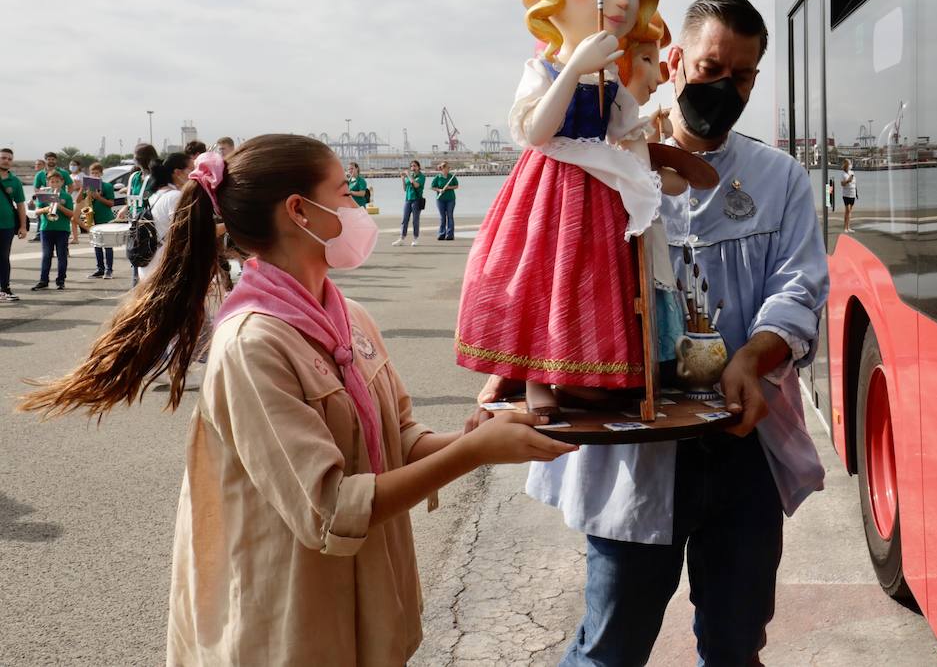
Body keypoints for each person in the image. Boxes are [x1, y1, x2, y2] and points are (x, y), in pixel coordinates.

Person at [19, 134, 575, 665]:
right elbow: (329, 507)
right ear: (300, 212)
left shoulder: (350, 317)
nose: (358, 204)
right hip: (287, 618)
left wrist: (477, 437)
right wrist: (475, 455)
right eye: (343, 192)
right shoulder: (253, 343)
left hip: (366, 602)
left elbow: (397, 438)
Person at [476, 0, 829, 666]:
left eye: (744, 76)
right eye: (711, 68)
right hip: (638, 446)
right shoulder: (606, 170)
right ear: (674, 61)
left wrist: (754, 358)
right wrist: (517, 362)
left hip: (740, 440)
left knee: (735, 640)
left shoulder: (778, 177)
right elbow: (547, 269)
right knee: (613, 644)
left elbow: (800, 284)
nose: (726, 88)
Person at [454, 0, 663, 418]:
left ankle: (590, 368)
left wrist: (648, 171)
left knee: (592, 281)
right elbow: (536, 131)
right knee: (540, 276)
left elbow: (623, 128)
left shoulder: (609, 76)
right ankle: (534, 376)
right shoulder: (543, 69)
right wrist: (573, 70)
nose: (621, 0)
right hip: (548, 185)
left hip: (598, 186)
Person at [144, 153, 193, 277]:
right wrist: (228, 226)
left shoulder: (157, 195)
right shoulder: (174, 197)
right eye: (192, 169)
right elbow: (187, 232)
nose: (195, 174)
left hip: (151, 263)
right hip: (165, 267)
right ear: (177, 172)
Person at [119, 143, 159, 287]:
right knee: (135, 258)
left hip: (150, 225)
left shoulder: (156, 177)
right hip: (134, 224)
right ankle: (136, 290)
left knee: (147, 259)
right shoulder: (135, 176)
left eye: (138, 156)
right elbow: (132, 198)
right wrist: (125, 208)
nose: (136, 159)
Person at [32, 171, 75, 291]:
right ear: (48, 182)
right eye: (52, 181)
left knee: (62, 256)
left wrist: (59, 206)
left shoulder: (66, 196)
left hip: (62, 229)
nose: (55, 184)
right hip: (46, 229)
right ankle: (43, 280)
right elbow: (36, 211)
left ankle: (61, 280)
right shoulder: (44, 194)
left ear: (62, 182)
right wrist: (47, 208)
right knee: (46, 255)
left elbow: (72, 214)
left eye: (57, 181)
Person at [0, 147, 28, 301]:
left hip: (7, 226)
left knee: (4, 257)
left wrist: (23, 226)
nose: (6, 161)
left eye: (9, 159)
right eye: (3, 157)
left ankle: (4, 289)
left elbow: (21, 205)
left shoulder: (15, 181)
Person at [85, 162, 118, 279]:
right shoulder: (88, 187)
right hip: (94, 219)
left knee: (107, 245)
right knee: (97, 245)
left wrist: (99, 197)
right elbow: (81, 201)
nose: (94, 175)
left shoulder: (107, 186)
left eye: (97, 173)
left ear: (101, 174)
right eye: (92, 173)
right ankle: (100, 269)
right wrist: (86, 194)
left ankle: (109, 270)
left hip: (106, 218)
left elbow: (111, 203)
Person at [394, 160, 425, 247]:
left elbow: (416, 185)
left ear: (418, 167)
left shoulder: (421, 177)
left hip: (416, 200)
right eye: (411, 166)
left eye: (415, 166)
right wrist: (403, 179)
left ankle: (415, 238)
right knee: (404, 219)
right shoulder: (410, 176)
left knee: (415, 220)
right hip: (408, 199)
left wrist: (408, 175)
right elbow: (405, 189)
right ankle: (402, 238)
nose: (413, 168)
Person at [431, 161, 458, 240]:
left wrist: (449, 187)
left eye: (449, 168)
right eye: (447, 168)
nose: (449, 169)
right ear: (443, 168)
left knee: (450, 216)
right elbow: (432, 187)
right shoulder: (437, 177)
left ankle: (450, 235)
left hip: (451, 199)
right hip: (440, 199)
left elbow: (456, 186)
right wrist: (439, 190)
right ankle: (442, 233)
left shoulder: (451, 176)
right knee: (442, 217)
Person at [840, 158, 857, 232]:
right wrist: (848, 181)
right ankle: (845, 227)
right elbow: (842, 184)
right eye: (849, 163)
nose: (850, 165)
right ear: (846, 165)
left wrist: (856, 192)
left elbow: (854, 183)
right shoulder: (843, 174)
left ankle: (848, 227)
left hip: (852, 193)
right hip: (846, 194)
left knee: (850, 211)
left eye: (850, 163)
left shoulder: (852, 172)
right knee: (847, 210)